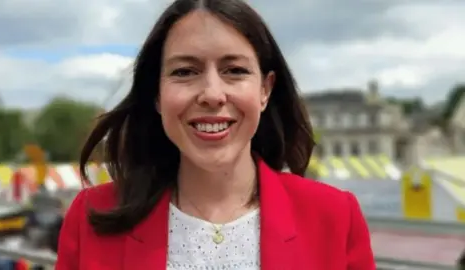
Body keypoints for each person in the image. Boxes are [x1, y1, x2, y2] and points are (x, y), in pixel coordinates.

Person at [56, 0, 375, 269]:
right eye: (185, 72)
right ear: (156, 94)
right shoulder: (91, 218)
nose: (212, 94)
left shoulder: (334, 218)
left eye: (234, 70)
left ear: (265, 89)